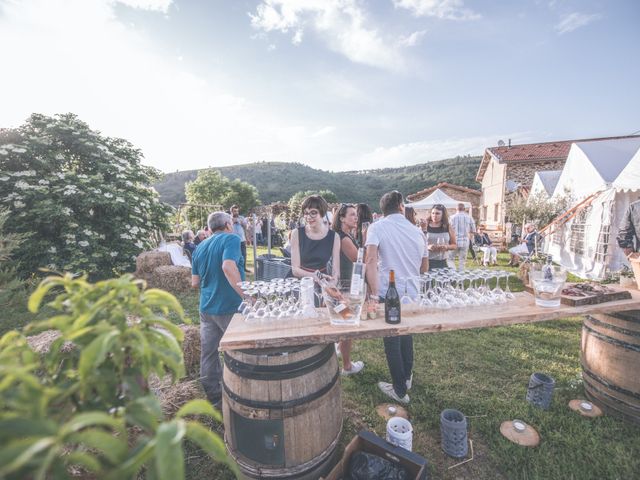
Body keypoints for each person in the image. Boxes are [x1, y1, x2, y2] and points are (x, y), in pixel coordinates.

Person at [365, 191, 429, 404]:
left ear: (383, 210)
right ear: (401, 206)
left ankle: (399, 390)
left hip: (388, 291)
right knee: (406, 333)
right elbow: (424, 267)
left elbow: (371, 260)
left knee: (392, 338)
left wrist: (373, 294)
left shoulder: (376, 227)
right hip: (412, 291)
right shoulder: (418, 231)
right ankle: (407, 378)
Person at [191, 212, 245, 408]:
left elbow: (194, 282)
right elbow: (228, 267)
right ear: (228, 224)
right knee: (241, 351)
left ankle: (215, 398)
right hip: (229, 306)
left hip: (206, 308)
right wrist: (248, 296)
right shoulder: (231, 238)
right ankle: (244, 392)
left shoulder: (199, 246)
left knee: (209, 353)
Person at [332, 203, 364, 376]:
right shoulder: (343, 238)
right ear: (342, 218)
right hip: (343, 289)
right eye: (352, 215)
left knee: (344, 321)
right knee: (348, 324)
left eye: (356, 215)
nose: (356, 217)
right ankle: (347, 366)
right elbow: (358, 259)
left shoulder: (344, 235)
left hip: (343, 287)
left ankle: (338, 347)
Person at [290, 194, 341, 292]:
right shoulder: (296, 233)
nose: (308, 217)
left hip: (322, 283)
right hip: (299, 284)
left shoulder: (335, 237)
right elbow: (295, 270)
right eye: (305, 213)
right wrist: (314, 276)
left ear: (322, 213)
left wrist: (331, 285)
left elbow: (336, 271)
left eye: (313, 213)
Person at [424, 204, 457, 271]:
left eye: (437, 213)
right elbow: (418, 244)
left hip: (443, 261)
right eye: (433, 213)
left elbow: (454, 245)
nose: (434, 215)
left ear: (443, 215)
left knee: (442, 280)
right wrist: (427, 247)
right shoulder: (425, 226)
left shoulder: (448, 227)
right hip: (427, 261)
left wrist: (446, 247)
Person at [449, 203, 476, 272]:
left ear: (456, 209)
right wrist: (469, 237)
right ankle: (460, 277)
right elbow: (473, 230)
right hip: (465, 241)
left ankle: (453, 272)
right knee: (462, 261)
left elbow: (448, 230)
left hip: (454, 241)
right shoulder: (469, 217)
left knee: (450, 258)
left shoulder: (452, 217)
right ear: (464, 209)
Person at [230, 205, 250, 273]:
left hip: (242, 239)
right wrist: (232, 221)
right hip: (232, 240)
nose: (236, 212)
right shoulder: (229, 218)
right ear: (231, 211)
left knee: (243, 254)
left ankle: (244, 268)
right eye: (235, 211)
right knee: (233, 254)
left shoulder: (241, 217)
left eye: (237, 211)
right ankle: (235, 268)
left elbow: (245, 226)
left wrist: (239, 221)